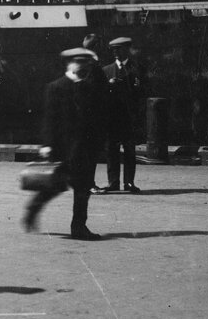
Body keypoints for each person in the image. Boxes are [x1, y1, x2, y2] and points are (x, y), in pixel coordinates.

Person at [23, 47, 108, 240]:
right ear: (69, 64)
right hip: (64, 148)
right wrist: (47, 144)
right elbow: (49, 119)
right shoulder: (56, 87)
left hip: (85, 148)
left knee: (83, 188)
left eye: (86, 63)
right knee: (54, 186)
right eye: (79, 62)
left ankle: (79, 227)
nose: (84, 67)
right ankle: (33, 208)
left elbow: (96, 116)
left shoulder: (90, 87)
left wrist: (98, 141)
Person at [102, 36, 146, 194]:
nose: (116, 53)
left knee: (129, 151)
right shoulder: (106, 71)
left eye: (119, 49)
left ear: (127, 49)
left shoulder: (137, 69)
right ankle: (113, 182)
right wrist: (109, 86)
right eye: (114, 50)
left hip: (129, 117)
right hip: (112, 118)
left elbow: (143, 93)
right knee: (111, 150)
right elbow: (101, 95)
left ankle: (129, 182)